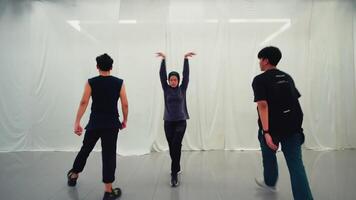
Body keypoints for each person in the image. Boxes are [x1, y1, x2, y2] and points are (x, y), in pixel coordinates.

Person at [252, 46, 313, 199]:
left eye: (260, 59)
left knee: (268, 154)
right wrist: (298, 128)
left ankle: (270, 182)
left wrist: (266, 132)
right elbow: (294, 102)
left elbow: (262, 105)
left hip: (271, 129)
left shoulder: (259, 79)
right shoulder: (287, 77)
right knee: (296, 166)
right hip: (292, 128)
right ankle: (272, 182)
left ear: (265, 60)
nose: (259, 62)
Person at [66, 53, 128, 200]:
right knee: (109, 155)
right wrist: (125, 120)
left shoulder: (91, 82)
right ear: (111, 67)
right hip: (112, 124)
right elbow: (125, 104)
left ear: (97, 66)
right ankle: (108, 191)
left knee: (85, 149)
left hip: (94, 123)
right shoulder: (119, 83)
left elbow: (83, 102)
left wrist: (77, 122)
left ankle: (74, 175)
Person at [156, 51, 195, 187]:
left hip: (181, 122)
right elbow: (161, 76)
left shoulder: (182, 89)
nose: (173, 81)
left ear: (178, 81)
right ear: (168, 81)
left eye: (175, 79)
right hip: (168, 122)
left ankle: (174, 175)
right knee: (172, 147)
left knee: (176, 144)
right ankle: (177, 166)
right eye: (171, 79)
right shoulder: (166, 89)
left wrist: (185, 59)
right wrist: (163, 60)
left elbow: (187, 76)